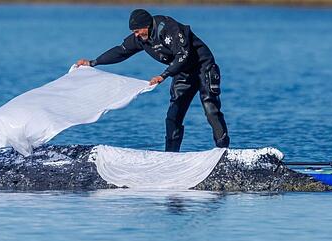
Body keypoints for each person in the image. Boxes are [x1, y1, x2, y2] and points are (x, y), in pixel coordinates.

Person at [76, 9, 230, 152]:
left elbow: (183, 55)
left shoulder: (169, 28)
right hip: (181, 72)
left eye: (136, 31)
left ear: (146, 26)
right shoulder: (141, 38)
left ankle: (223, 151)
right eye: (133, 32)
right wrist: (93, 62)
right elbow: (120, 51)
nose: (135, 35)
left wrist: (163, 75)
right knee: (173, 115)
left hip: (203, 66)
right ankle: (170, 156)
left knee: (211, 108)